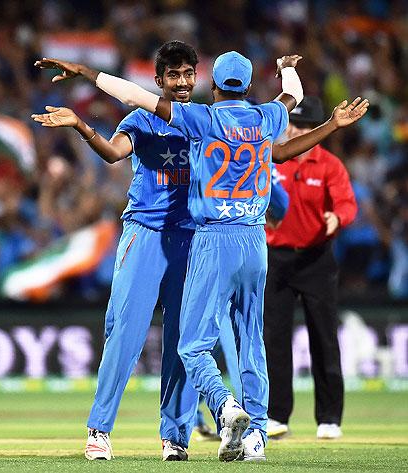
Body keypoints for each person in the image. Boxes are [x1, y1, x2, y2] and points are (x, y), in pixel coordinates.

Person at [34, 51, 368, 462]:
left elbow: (134, 93)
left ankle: (176, 435)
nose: (181, 81)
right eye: (173, 75)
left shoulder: (205, 119)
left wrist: (86, 74)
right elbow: (115, 147)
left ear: (205, 80)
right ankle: (102, 430)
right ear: (161, 80)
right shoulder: (169, 119)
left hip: (198, 238)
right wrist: (83, 124)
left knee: (184, 342)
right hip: (152, 233)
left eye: (188, 74)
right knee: (128, 335)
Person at [263, 96, 358, 440]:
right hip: (276, 260)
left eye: (305, 127)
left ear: (318, 130)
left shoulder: (330, 165)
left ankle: (329, 418)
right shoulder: (274, 160)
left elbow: (347, 203)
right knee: (273, 339)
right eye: (295, 124)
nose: (297, 131)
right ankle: (276, 415)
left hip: (317, 259)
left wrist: (338, 217)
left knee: (324, 337)